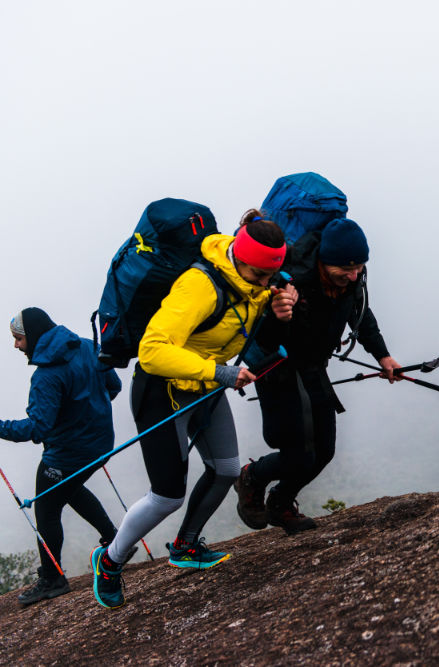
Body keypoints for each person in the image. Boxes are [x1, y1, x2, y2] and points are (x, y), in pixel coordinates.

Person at [91, 210, 297, 609]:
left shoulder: (255, 283)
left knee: (226, 470)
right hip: (161, 389)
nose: (266, 283)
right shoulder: (199, 285)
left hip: (207, 386)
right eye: (259, 276)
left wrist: (281, 305)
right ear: (237, 257)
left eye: (272, 276)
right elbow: (151, 352)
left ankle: (185, 546)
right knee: (167, 495)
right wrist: (219, 373)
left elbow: (253, 317)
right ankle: (111, 560)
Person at [234, 218, 399, 535]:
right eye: (345, 270)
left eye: (359, 268)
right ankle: (252, 476)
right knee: (299, 453)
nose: (353, 276)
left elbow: (361, 317)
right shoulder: (291, 278)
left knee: (324, 451)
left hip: (313, 366)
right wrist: (280, 313)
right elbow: (263, 332)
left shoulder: (352, 281)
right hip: (278, 368)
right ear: (324, 261)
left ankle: (280, 503)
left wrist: (383, 356)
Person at [1, 307, 121, 606]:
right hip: (101, 443)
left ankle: (53, 579)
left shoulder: (46, 377)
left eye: (18, 339)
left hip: (68, 452)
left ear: (34, 337)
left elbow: (37, 428)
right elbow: (113, 387)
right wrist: (84, 415)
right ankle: (116, 540)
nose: (16, 345)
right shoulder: (86, 345)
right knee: (68, 489)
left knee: (47, 508)